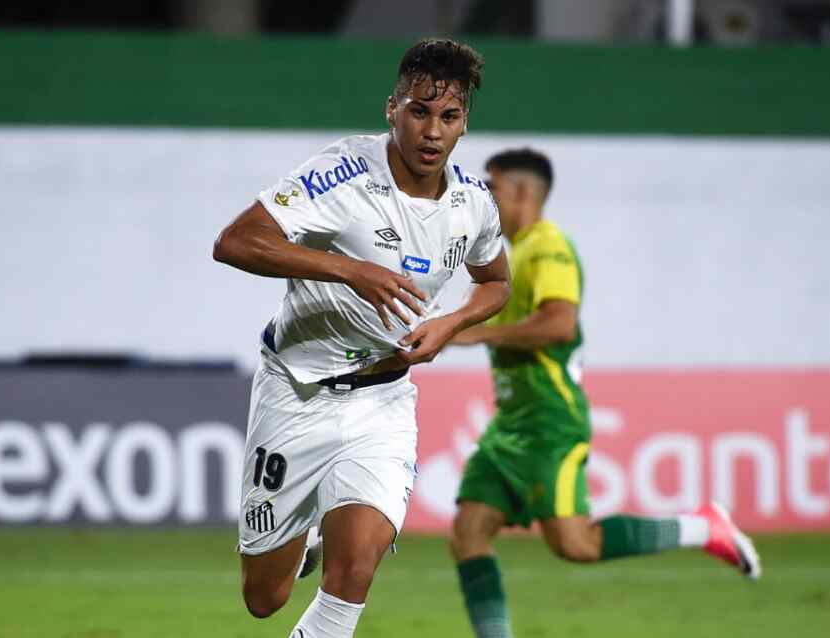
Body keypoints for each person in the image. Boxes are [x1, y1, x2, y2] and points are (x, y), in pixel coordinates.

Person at [212, 38, 511, 638]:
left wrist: (449, 325)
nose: (432, 131)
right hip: (297, 393)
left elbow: (496, 282)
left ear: (464, 125)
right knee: (264, 597)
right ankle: (304, 541)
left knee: (356, 569)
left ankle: (335, 545)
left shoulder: (473, 203)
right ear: (391, 108)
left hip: (383, 401)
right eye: (419, 111)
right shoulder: (342, 173)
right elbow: (235, 242)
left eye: (448, 117)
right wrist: (354, 269)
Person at [448, 148, 762, 638]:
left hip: (550, 422)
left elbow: (559, 322)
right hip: (510, 424)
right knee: (468, 533)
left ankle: (704, 527)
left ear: (525, 193)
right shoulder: (506, 254)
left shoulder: (549, 247)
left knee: (576, 544)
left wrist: (481, 333)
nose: (485, 196)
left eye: (494, 187)